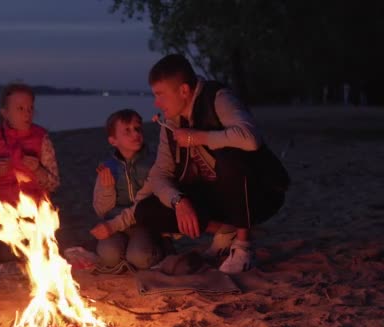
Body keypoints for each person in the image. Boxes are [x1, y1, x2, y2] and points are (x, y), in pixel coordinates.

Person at [134, 54, 289, 274]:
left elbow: (250, 138)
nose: (156, 103)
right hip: (215, 196)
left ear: (184, 91)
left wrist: (199, 137)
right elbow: (160, 173)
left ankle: (243, 247)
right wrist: (178, 201)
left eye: (160, 95)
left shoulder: (218, 98)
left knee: (230, 157)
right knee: (146, 210)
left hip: (258, 193)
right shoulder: (170, 122)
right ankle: (225, 231)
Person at [89, 109, 162, 270]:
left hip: (144, 222)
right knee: (109, 255)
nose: (135, 133)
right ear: (113, 140)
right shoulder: (108, 167)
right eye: (127, 131)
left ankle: (160, 248)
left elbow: (152, 203)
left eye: (137, 128)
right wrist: (108, 189)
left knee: (140, 258)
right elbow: (101, 210)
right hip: (115, 223)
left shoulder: (153, 162)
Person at [0, 82, 60, 205]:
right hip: (1, 212)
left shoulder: (41, 139)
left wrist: (38, 170)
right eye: (20, 108)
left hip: (35, 211)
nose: (27, 113)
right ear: (5, 113)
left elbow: (54, 184)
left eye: (30, 108)